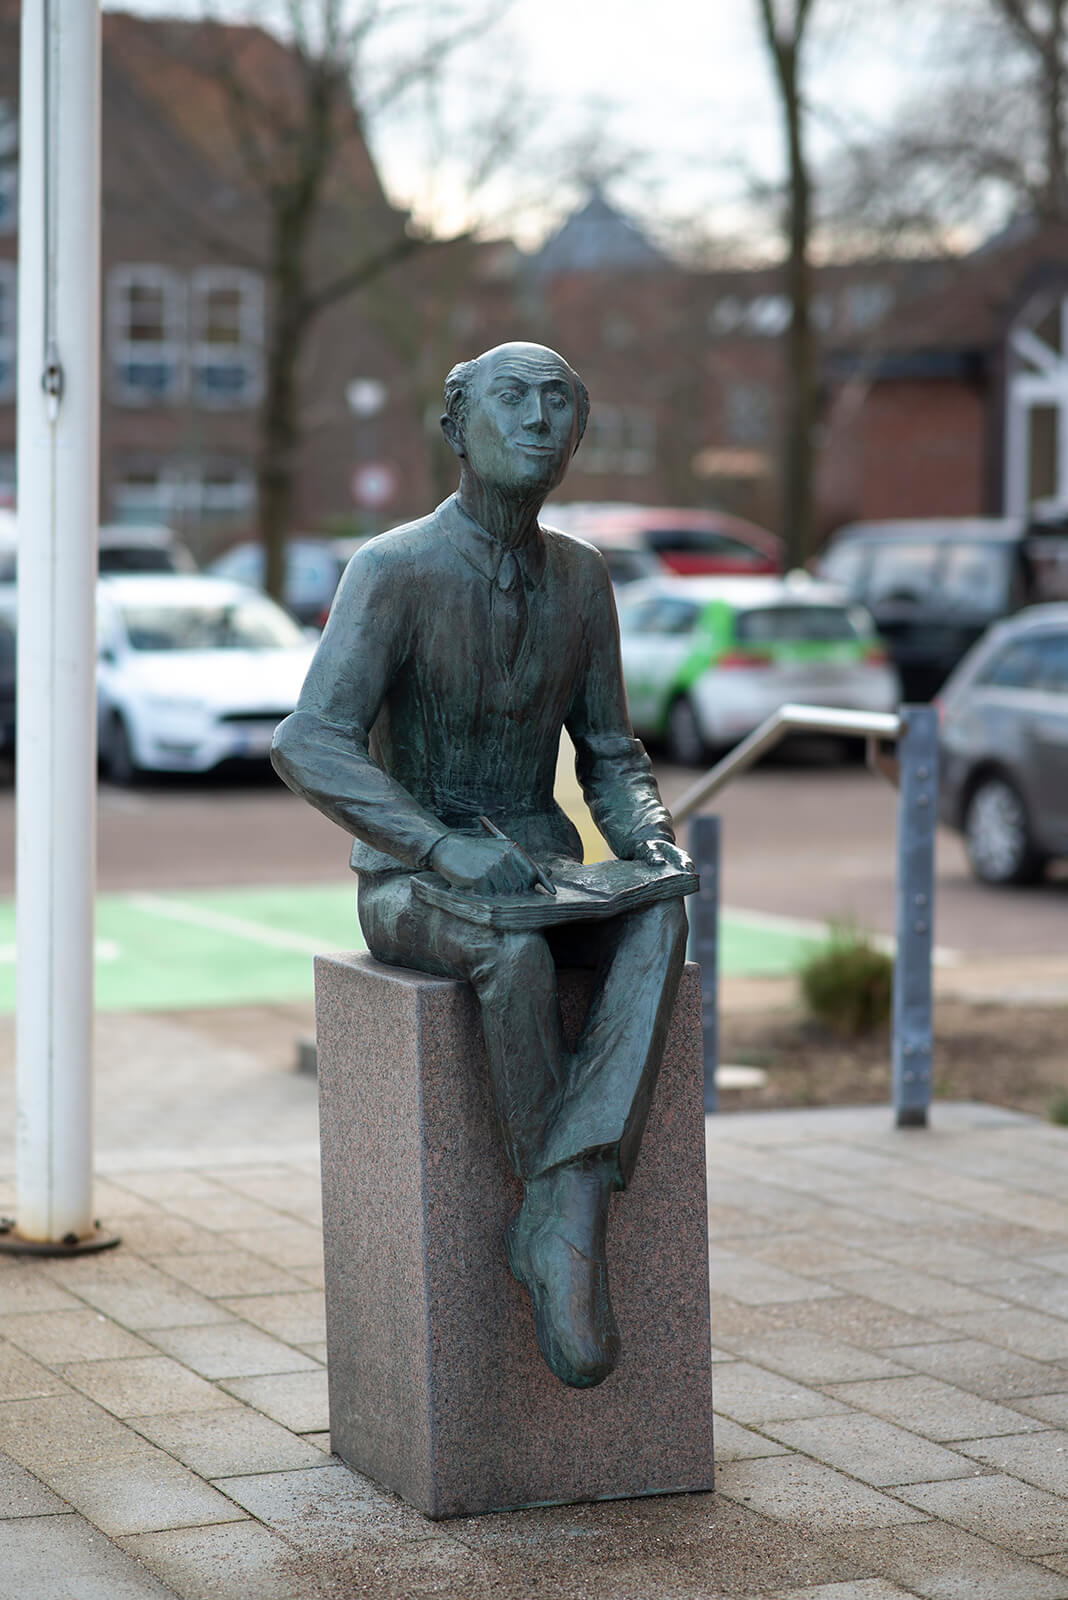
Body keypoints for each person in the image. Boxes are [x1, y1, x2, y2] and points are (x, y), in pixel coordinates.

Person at [272, 342, 691, 1388]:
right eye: (515, 398)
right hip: (413, 881)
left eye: (560, 402)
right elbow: (310, 741)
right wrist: (437, 843)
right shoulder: (394, 568)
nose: (540, 419)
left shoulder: (584, 578)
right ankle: (564, 1222)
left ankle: (561, 1198)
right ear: (458, 424)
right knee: (514, 961)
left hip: (544, 871)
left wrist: (646, 834)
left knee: (662, 916)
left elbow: (609, 753)